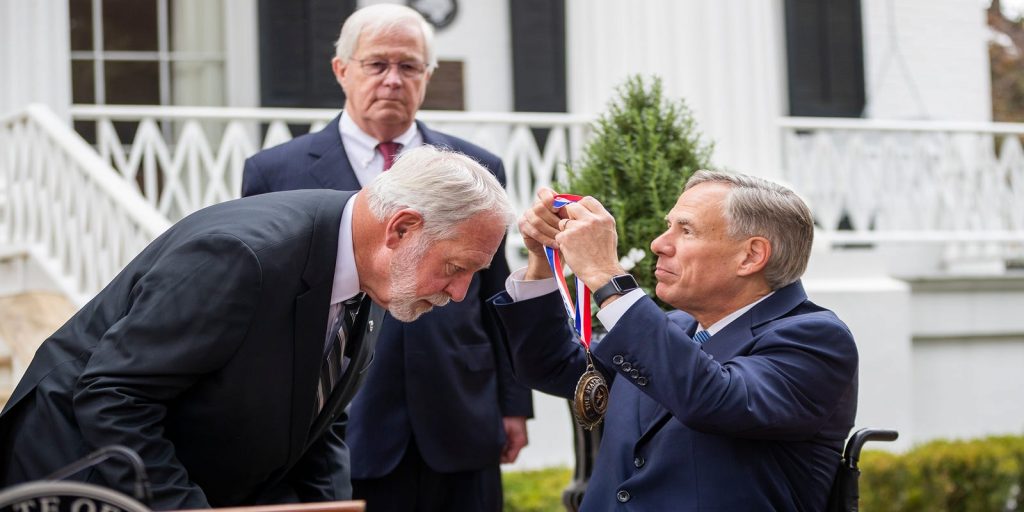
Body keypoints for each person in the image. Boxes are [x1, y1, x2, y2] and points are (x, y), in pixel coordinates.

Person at [0, 146, 513, 511]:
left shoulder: (377, 270)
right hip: (77, 477)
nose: (461, 292)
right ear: (401, 229)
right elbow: (112, 395)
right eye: (455, 267)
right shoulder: (243, 258)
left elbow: (321, 419)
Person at [241, 4, 532, 511]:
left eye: (409, 66)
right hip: (338, 427)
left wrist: (513, 403)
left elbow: (493, 291)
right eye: (377, 65)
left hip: (459, 415)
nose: (393, 80)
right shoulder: (274, 173)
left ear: (427, 75)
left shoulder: (479, 167)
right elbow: (263, 311)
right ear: (342, 70)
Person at [492, 170, 859, 511]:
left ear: (751, 255)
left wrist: (607, 276)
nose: (658, 244)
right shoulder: (679, 326)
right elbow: (556, 368)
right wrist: (542, 262)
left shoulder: (816, 338)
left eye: (686, 230)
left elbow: (713, 397)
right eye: (669, 226)